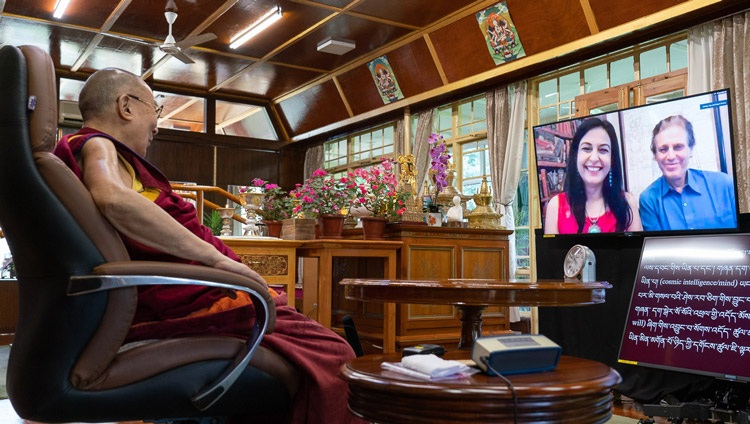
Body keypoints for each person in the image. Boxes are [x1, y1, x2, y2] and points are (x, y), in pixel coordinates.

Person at [52, 68, 363, 424]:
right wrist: (220, 262)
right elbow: (113, 199)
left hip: (184, 292)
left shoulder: (103, 155)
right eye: (156, 110)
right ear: (126, 105)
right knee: (335, 352)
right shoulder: (97, 144)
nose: (157, 125)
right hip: (185, 301)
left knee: (307, 343)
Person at [639, 115, 737, 231]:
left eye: (678, 147)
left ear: (691, 150)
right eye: (663, 149)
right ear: (655, 156)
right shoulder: (648, 199)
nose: (671, 156)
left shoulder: (725, 185)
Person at [544, 117, 642, 234]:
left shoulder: (628, 203)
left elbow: (638, 251)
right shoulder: (555, 206)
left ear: (612, 159)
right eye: (586, 148)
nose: (594, 158)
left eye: (603, 150)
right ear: (576, 156)